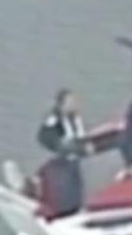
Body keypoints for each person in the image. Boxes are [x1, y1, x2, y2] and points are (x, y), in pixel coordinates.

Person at [36, 88, 91, 217]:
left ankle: (76, 208)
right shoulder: (54, 118)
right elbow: (44, 136)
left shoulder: (75, 118)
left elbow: (80, 136)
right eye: (70, 102)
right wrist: (60, 145)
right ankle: (64, 210)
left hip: (76, 157)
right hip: (63, 158)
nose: (74, 104)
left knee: (77, 184)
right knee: (66, 187)